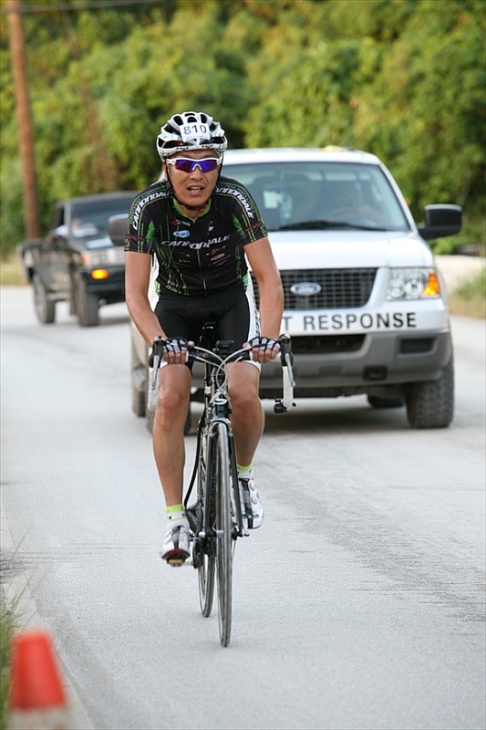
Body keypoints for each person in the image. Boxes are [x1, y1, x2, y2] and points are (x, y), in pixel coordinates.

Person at [124, 111, 284, 565]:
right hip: (176, 306)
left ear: (220, 166)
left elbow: (268, 280)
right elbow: (135, 294)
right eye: (185, 164)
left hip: (231, 301)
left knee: (242, 390)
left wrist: (267, 338)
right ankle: (176, 519)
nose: (197, 174)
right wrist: (159, 341)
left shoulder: (235, 200)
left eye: (208, 163)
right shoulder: (148, 209)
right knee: (172, 397)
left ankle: (244, 478)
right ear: (166, 167)